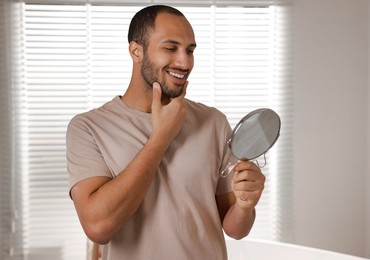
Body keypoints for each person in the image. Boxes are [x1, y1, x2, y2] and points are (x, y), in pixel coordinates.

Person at [66, 4, 266, 260]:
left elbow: (235, 229)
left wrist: (245, 205)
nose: (184, 62)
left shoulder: (213, 122)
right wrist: (161, 137)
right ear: (136, 51)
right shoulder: (88, 128)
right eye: (170, 48)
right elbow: (98, 227)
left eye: (190, 50)